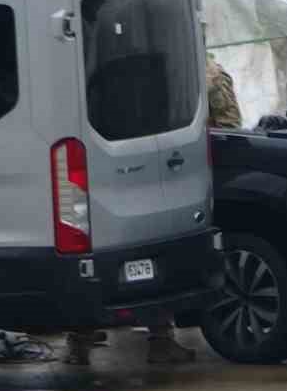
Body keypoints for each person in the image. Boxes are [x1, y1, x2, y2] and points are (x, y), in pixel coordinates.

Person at [62, 55, 240, 366]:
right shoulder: (201, 71)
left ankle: (80, 341)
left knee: (102, 255)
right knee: (157, 256)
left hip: (111, 173)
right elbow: (229, 129)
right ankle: (160, 339)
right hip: (169, 172)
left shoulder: (104, 69)